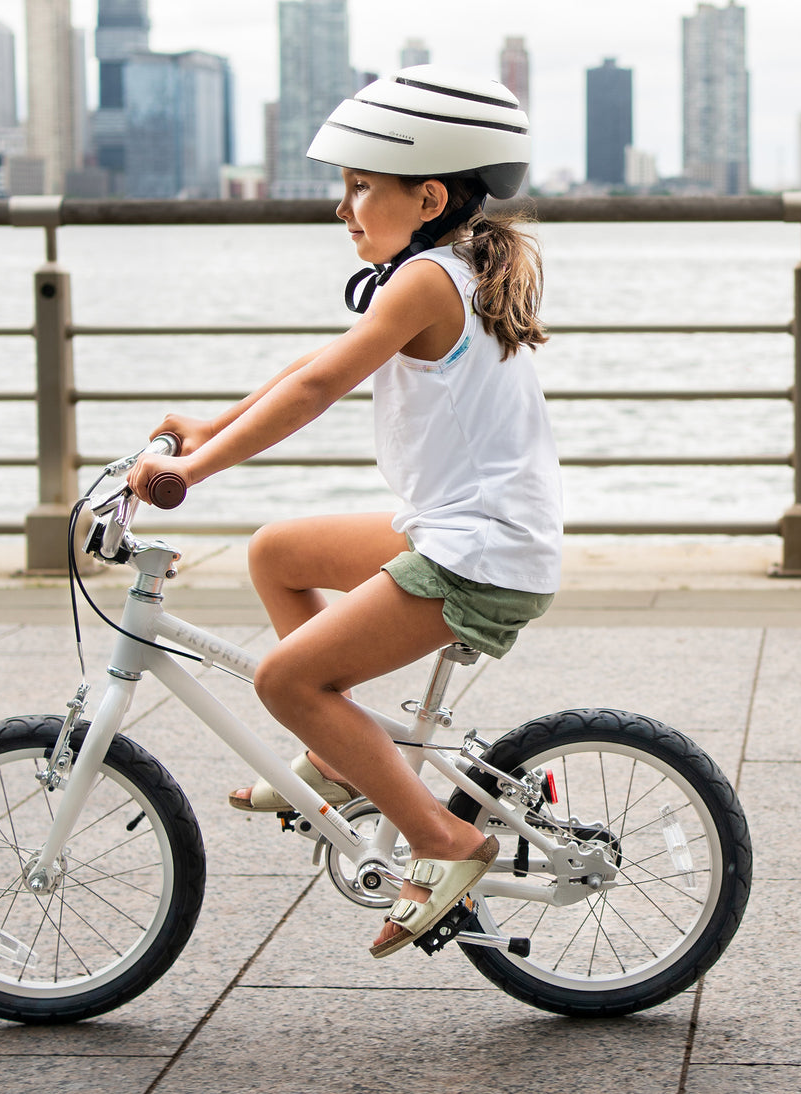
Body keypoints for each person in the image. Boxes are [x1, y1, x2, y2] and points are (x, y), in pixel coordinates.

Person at [127, 66, 562, 958]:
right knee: (277, 553)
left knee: (285, 682)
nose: (344, 207)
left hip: (477, 555)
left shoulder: (427, 281)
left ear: (429, 196)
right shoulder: (442, 268)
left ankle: (446, 841)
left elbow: (321, 387)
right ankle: (338, 761)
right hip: (466, 531)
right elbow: (315, 365)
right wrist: (211, 426)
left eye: (362, 186)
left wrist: (193, 471)